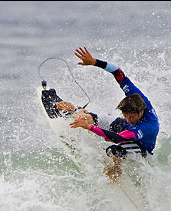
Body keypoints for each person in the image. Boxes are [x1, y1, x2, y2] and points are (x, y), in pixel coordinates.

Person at [68, 47, 159, 181]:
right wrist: (94, 62)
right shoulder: (135, 96)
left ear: (140, 112)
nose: (129, 120)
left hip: (140, 147)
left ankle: (117, 168)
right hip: (127, 131)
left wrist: (89, 127)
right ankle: (76, 112)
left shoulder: (147, 127)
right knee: (90, 118)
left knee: (113, 150)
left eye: (131, 117)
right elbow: (118, 73)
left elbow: (117, 138)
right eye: (126, 116)